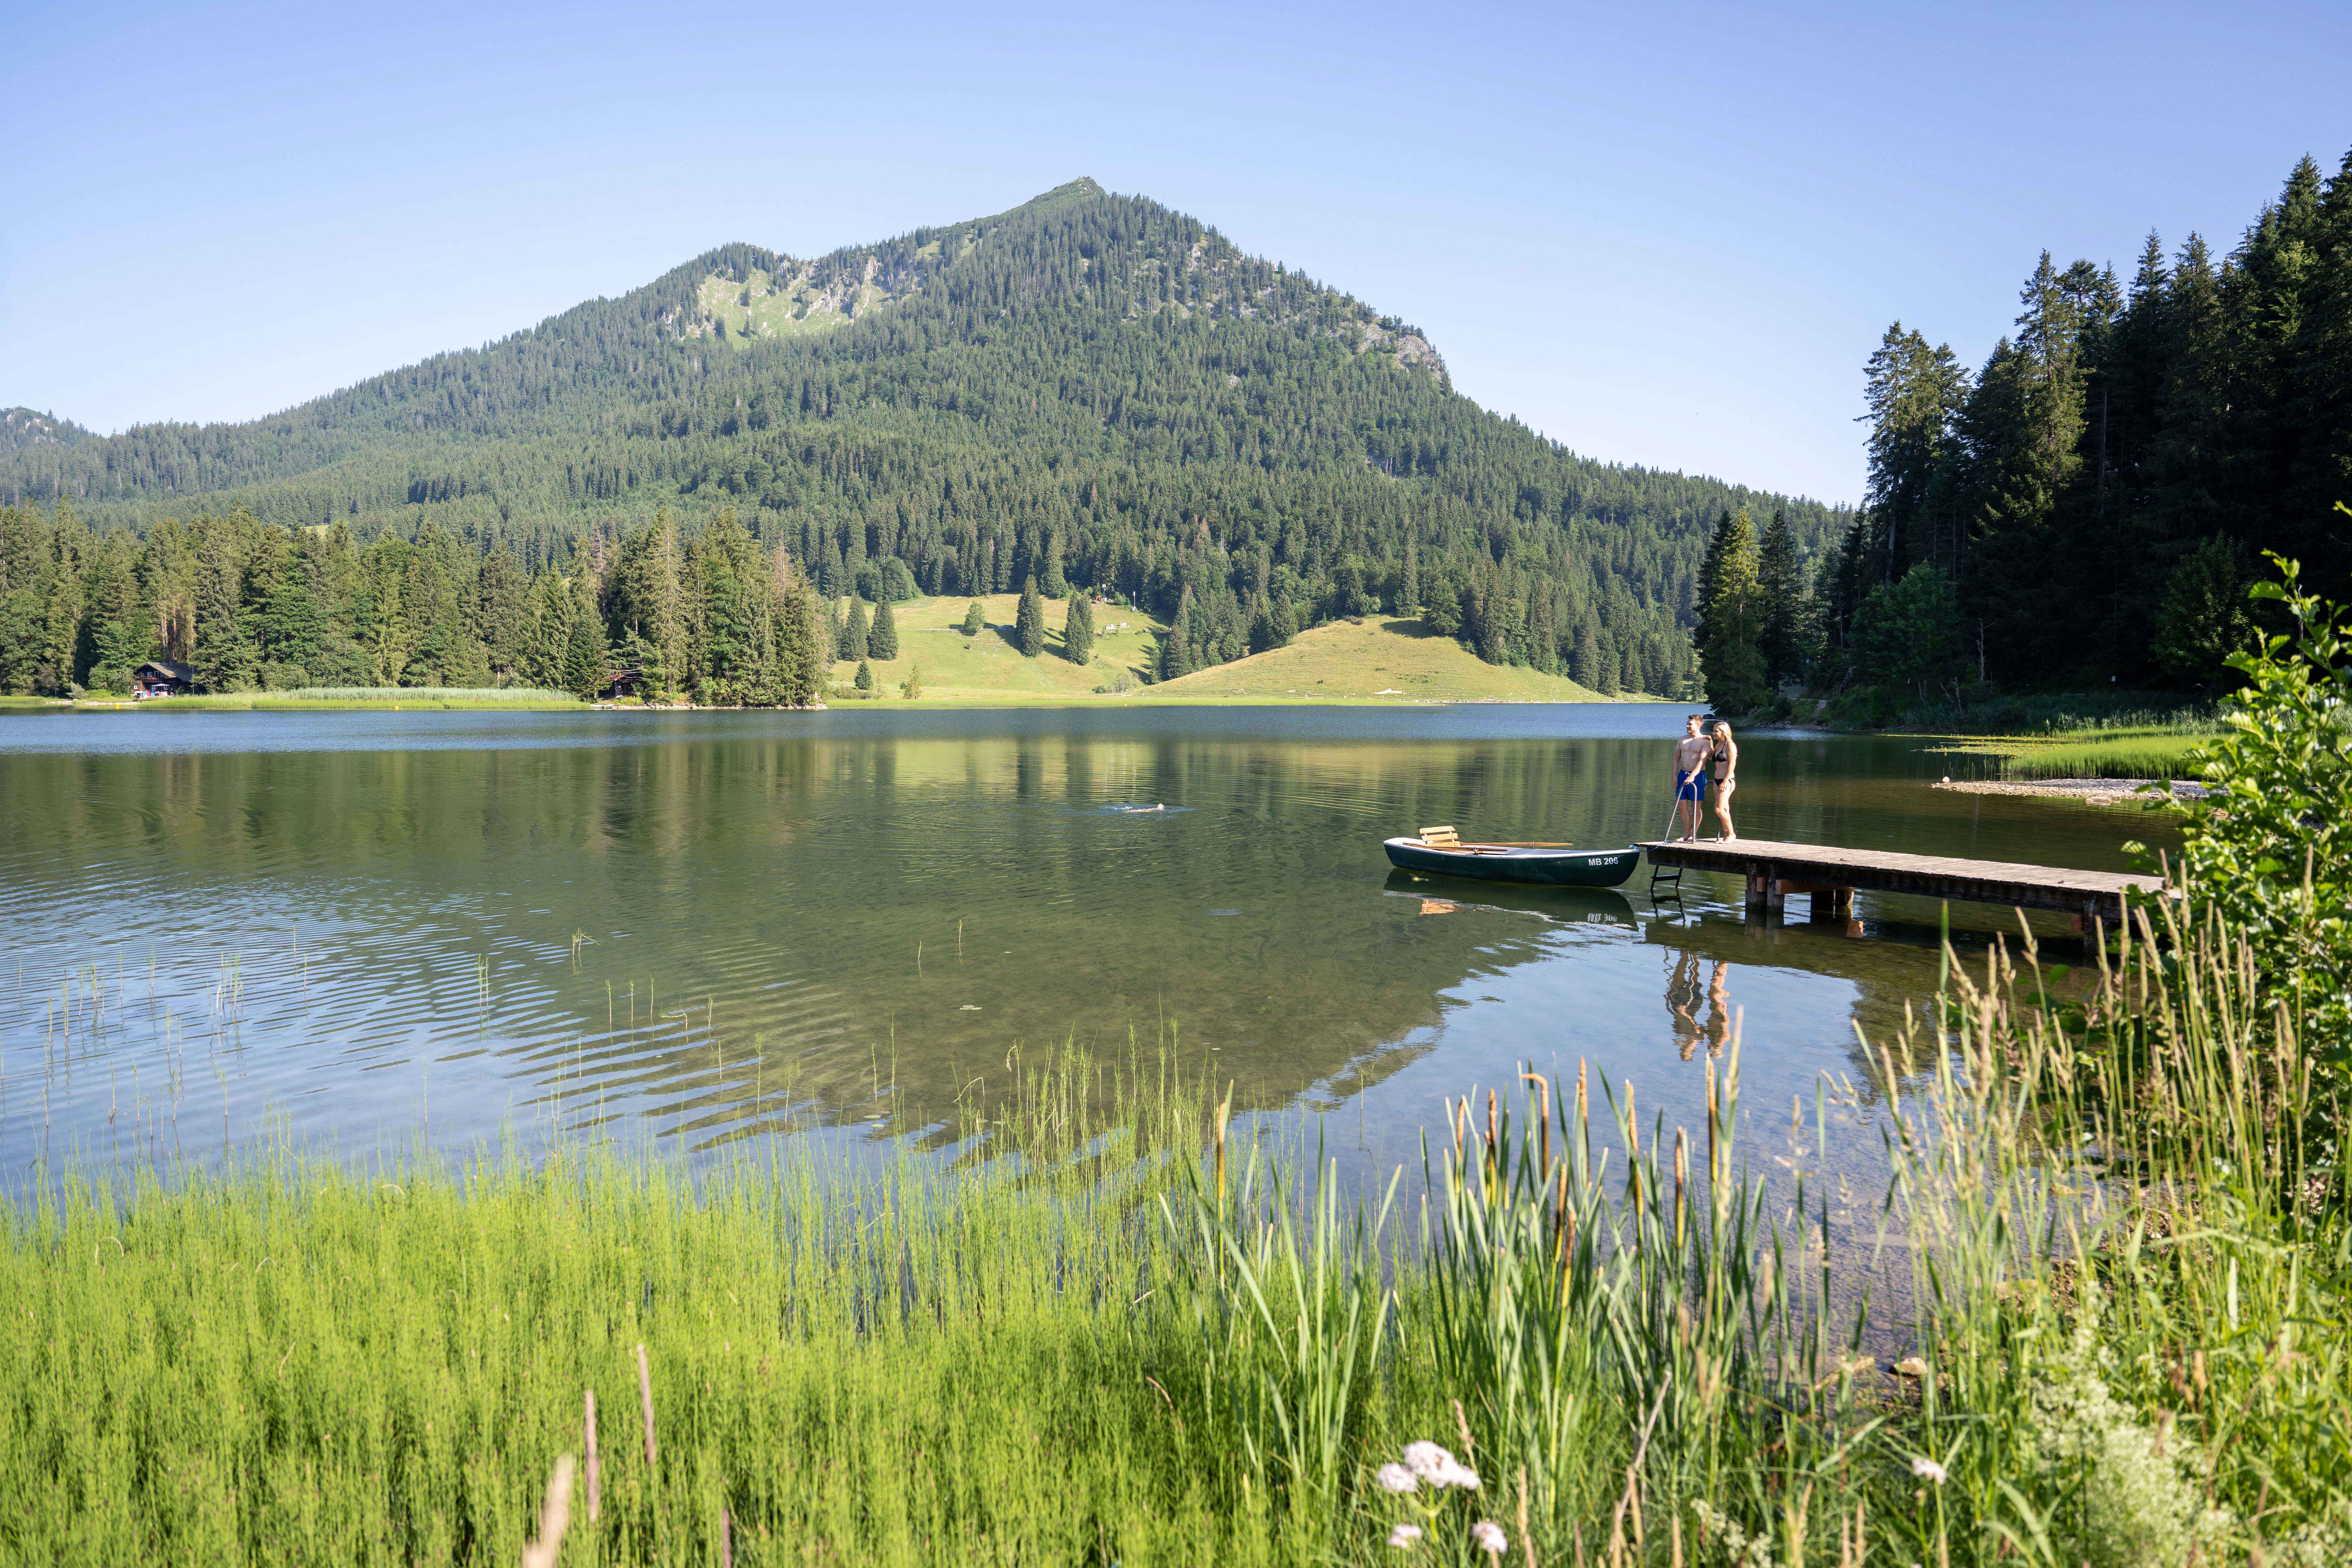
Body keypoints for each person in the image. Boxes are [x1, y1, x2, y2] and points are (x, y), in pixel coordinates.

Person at [1671, 715, 1711, 840]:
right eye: (1687, 723)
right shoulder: (1682, 739)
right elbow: (1676, 758)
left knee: (1696, 806)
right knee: (1682, 805)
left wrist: (1693, 776)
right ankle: (1687, 833)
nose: (1687, 726)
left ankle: (1694, 833)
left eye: (1690, 724)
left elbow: (1702, 761)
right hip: (1683, 774)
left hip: (1698, 776)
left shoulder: (1705, 741)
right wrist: (1674, 777)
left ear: (1698, 726)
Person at [1707, 721, 1740, 840]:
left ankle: (1732, 834)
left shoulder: (1730, 745)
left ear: (1723, 732)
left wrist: (1726, 781)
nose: (1714, 733)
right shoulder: (1719, 744)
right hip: (1717, 780)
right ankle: (1726, 835)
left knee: (1719, 809)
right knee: (1724, 809)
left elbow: (1732, 764)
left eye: (1716, 731)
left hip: (1727, 780)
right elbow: (1711, 757)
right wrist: (1711, 742)